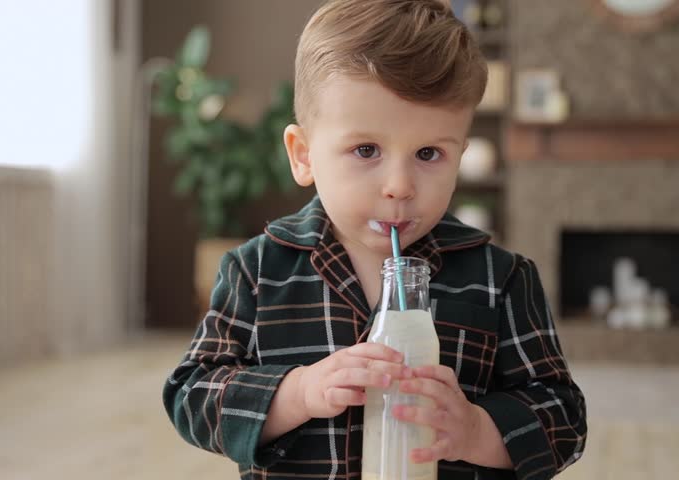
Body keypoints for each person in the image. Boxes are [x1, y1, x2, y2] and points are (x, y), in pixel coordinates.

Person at [163, 1, 587, 478]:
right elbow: (191, 395)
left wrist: (475, 429)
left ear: (460, 155)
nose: (400, 185)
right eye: (366, 150)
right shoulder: (256, 271)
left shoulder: (503, 278)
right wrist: (297, 393)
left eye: (429, 153)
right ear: (303, 156)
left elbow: (564, 419)